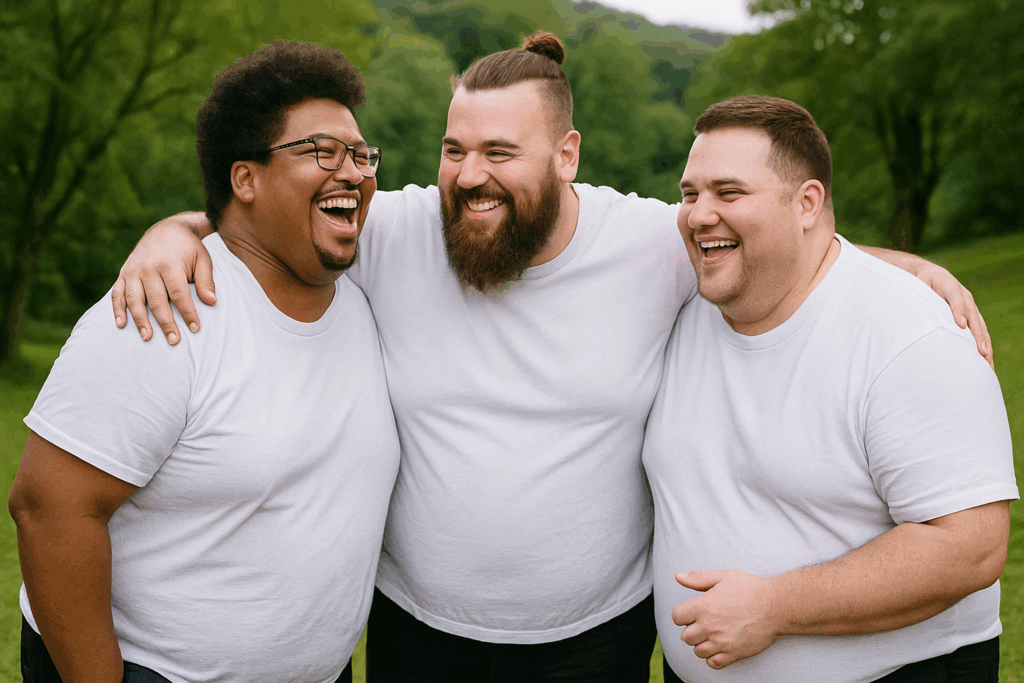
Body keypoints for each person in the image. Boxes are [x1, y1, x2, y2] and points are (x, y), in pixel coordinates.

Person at [108, 35, 993, 682]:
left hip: (598, 640)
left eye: (499, 151)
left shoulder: (650, 244)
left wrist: (909, 269)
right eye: (454, 150)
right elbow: (282, 215)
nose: (468, 174)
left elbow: (765, 238)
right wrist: (174, 229)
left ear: (566, 155)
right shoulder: (406, 229)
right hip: (418, 631)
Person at [7, 41, 399, 683]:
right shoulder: (164, 309)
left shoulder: (362, 304)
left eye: (360, 155)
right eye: (322, 152)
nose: (352, 172)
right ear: (245, 178)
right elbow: (50, 510)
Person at [643, 95, 1017, 682]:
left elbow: (970, 546)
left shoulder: (909, 335)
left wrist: (774, 607)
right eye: (690, 194)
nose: (697, 214)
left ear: (807, 203)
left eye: (729, 192)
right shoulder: (685, 295)